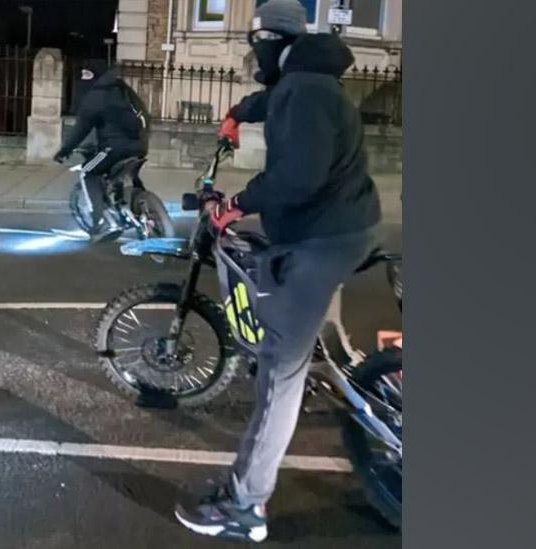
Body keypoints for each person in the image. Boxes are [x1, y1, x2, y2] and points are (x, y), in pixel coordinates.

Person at [174, 0, 383, 542]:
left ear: (274, 41)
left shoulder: (304, 90)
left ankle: (246, 506)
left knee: (279, 373)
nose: (252, 53)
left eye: (256, 43)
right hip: (340, 226)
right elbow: (275, 101)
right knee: (278, 273)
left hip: (325, 236)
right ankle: (316, 343)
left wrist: (238, 202)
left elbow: (298, 178)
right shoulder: (306, 80)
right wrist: (238, 114)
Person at [54, 60, 151, 242]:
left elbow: (81, 128)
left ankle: (100, 223)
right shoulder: (123, 89)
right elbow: (143, 113)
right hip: (140, 144)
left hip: (113, 148)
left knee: (87, 172)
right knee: (123, 174)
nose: (83, 80)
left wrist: (65, 150)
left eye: (87, 75)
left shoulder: (95, 96)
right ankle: (139, 205)